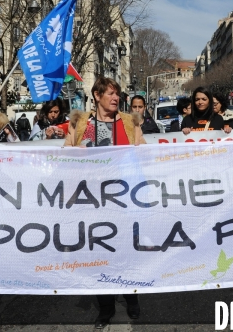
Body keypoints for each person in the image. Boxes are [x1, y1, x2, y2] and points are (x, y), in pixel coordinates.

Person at [64, 77, 144, 328]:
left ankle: (132, 297)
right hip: (92, 201)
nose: (115, 98)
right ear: (96, 96)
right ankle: (106, 308)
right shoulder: (80, 123)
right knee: (99, 252)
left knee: (127, 252)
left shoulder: (130, 122)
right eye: (109, 93)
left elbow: (146, 154)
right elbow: (65, 154)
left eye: (117, 94)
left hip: (124, 199)